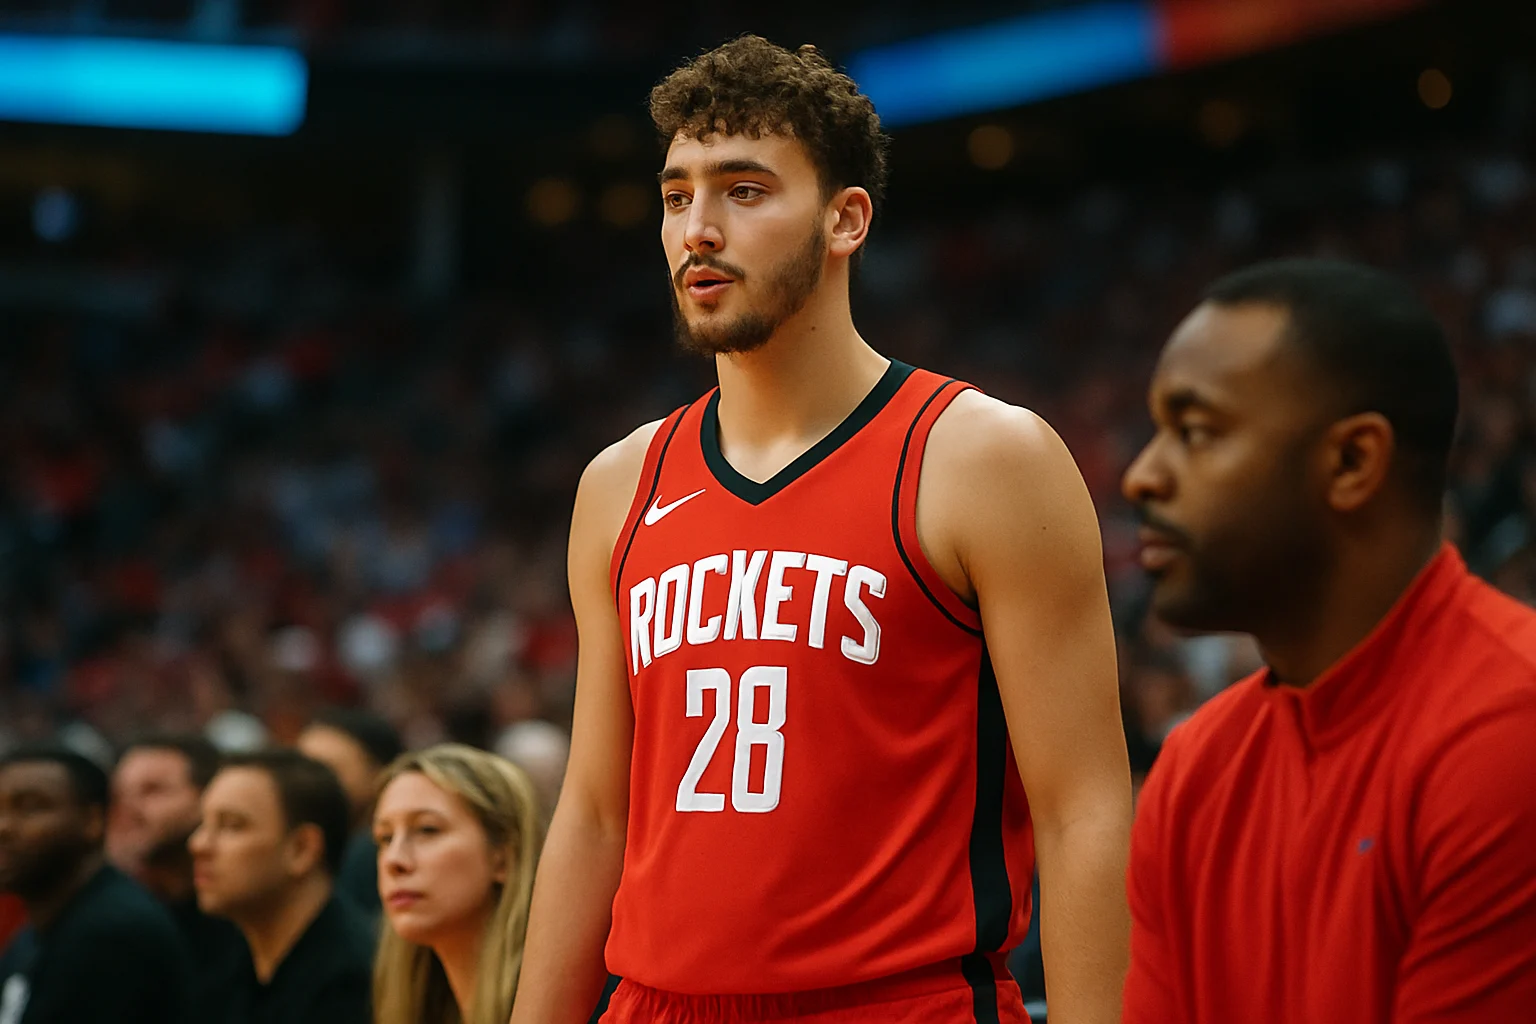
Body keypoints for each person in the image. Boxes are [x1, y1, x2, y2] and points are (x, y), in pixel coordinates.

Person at [512, 35, 1132, 1024]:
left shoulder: (983, 458)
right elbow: (592, 813)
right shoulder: (619, 482)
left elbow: (1086, 808)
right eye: (676, 196)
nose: (698, 231)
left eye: (744, 190)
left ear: (846, 220)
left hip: (896, 1001)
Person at [1119, 259, 1536, 1022]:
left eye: (1196, 431)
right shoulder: (1191, 768)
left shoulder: (1510, 733)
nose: (1141, 477)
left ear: (1352, 462)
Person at [0, 746, 193, 1024]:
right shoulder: (36, 931)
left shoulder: (114, 933)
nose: (3, 826)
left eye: (30, 807)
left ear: (93, 821)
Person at [190, 749, 374, 1024]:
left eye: (231, 826)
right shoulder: (229, 962)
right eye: (202, 824)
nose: (198, 844)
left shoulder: (354, 982)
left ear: (302, 849)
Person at [372, 744, 542, 1024]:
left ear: (503, 857)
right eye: (385, 837)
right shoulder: (416, 1004)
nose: (394, 860)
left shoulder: (579, 1007)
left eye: (427, 829)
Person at [108, 735, 244, 1019]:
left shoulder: (242, 915)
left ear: (208, 797)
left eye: (152, 791)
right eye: (119, 794)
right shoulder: (104, 915)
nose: (128, 808)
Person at [297, 709, 404, 917]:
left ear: (380, 773)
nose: (306, 785)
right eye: (299, 770)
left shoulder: (373, 856)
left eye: (325, 769)